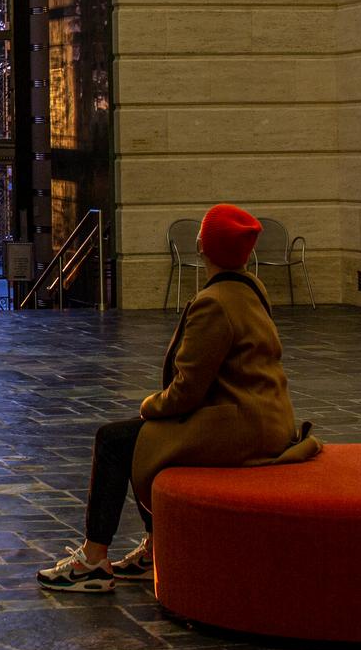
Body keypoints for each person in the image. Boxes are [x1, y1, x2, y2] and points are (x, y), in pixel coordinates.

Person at [37, 204, 320, 593]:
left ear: (203, 245)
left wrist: (150, 405)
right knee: (149, 437)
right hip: (267, 420)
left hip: (242, 429)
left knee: (117, 440)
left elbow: (188, 390)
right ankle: (152, 547)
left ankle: (93, 558)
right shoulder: (252, 290)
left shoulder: (213, 304)